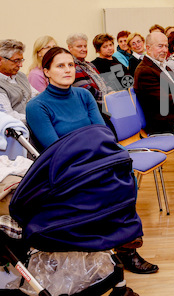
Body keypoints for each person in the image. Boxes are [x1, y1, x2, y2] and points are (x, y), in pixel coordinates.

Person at [25, 46, 159, 276]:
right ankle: (116, 251)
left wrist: (106, 157)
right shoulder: (37, 106)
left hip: (95, 160)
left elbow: (102, 132)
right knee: (108, 187)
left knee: (125, 177)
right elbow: (56, 149)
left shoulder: (83, 95)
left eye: (70, 65)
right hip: (67, 171)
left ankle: (125, 249)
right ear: (46, 71)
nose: (67, 70)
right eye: (60, 66)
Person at [133, 32, 174, 134]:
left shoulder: (164, 66)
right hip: (163, 121)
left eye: (166, 46)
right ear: (148, 48)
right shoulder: (145, 71)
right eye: (160, 46)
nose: (165, 50)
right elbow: (167, 101)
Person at [66, 33, 113, 110]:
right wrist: (107, 97)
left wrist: (112, 93)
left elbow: (104, 82)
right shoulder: (71, 66)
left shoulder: (90, 65)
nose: (84, 49)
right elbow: (86, 91)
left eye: (85, 46)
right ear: (70, 48)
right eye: (79, 46)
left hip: (105, 103)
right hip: (92, 107)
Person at [0, 39, 38, 122]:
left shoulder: (21, 76)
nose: (20, 65)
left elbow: (35, 96)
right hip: (18, 128)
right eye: (16, 61)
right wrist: (36, 117)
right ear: (0, 60)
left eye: (21, 60)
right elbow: (8, 115)